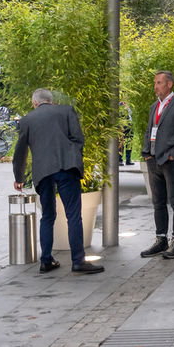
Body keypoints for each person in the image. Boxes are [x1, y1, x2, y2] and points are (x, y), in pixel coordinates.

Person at [12, 88, 103, 274]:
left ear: (35, 103)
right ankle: (78, 261)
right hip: (66, 168)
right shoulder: (66, 111)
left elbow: (20, 152)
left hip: (43, 172)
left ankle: (46, 260)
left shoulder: (27, 120)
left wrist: (19, 177)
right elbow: (78, 139)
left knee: (47, 215)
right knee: (73, 215)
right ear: (51, 101)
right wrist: (75, 159)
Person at [140, 70, 174, 260]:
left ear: (169, 84)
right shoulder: (154, 106)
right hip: (154, 160)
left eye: (159, 83)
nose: (155, 86)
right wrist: (146, 153)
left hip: (171, 162)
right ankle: (160, 239)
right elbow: (149, 130)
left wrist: (173, 155)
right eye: (155, 82)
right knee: (158, 203)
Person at [120, 100, 134, 166]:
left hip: (130, 128)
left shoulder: (127, 106)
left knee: (129, 144)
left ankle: (128, 160)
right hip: (122, 128)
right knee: (121, 144)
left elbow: (130, 114)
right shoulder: (120, 106)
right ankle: (119, 160)